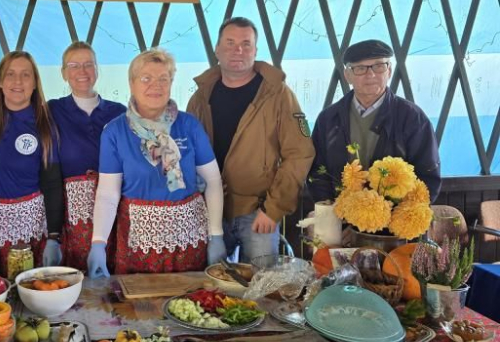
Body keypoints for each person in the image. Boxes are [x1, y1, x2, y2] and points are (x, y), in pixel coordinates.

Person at [87, 48, 225, 277]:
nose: (156, 85)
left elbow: (213, 181)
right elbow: (108, 194)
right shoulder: (115, 132)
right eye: (146, 78)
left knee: (190, 298)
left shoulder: (189, 125)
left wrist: (216, 234)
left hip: (189, 239)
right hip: (139, 244)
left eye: (163, 78)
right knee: (138, 299)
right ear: (131, 84)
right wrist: (98, 243)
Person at [187, 17, 315, 263]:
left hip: (258, 212)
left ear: (255, 51)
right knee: (206, 281)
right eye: (230, 43)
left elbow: (300, 153)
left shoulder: (278, 95)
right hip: (209, 211)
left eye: (246, 44)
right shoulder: (201, 97)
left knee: (262, 283)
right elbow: (187, 154)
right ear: (217, 49)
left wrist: (273, 209)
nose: (238, 50)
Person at [308, 39, 441, 202]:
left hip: (394, 214)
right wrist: (330, 209)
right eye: (360, 68)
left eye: (379, 66)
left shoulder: (413, 118)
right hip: (340, 212)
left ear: (389, 71)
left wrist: (400, 213)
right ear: (347, 75)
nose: (370, 75)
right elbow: (317, 173)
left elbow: (428, 178)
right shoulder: (328, 119)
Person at [0, 51, 64, 278]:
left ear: (34, 83)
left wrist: (54, 236)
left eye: (25, 75)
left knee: (32, 288)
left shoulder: (44, 123)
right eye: (10, 74)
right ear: (0, 81)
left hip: (32, 224)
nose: (18, 81)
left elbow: (52, 182)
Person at [48, 41, 126, 271]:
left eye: (88, 64)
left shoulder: (120, 112)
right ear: (63, 73)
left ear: (97, 69)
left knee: (114, 273)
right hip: (72, 213)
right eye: (73, 65)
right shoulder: (52, 110)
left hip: (115, 205)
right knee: (77, 274)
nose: (82, 71)